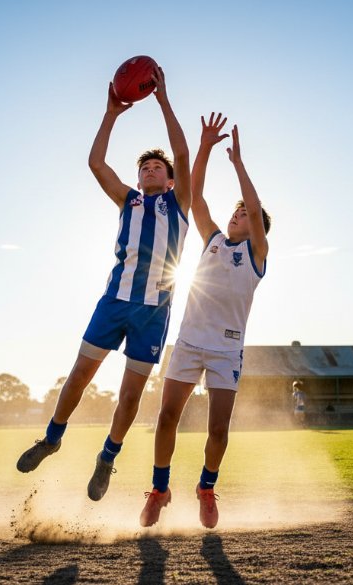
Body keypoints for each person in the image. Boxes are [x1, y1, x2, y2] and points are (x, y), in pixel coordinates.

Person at [15, 67, 191, 502]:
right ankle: (52, 438)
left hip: (153, 310)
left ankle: (107, 457)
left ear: (168, 180)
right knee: (79, 373)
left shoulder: (178, 201)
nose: (150, 170)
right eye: (144, 167)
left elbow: (184, 156)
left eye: (157, 167)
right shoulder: (127, 199)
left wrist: (164, 101)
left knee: (130, 396)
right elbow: (96, 163)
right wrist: (111, 114)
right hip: (114, 302)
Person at [139, 112, 271, 528]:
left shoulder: (257, 255)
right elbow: (194, 198)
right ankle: (160, 490)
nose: (238, 216)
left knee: (218, 431)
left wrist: (237, 163)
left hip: (226, 351)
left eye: (245, 215)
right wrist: (205, 148)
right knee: (165, 418)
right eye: (235, 213)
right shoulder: (212, 239)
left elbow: (253, 203)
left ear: (258, 229)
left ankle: (206, 488)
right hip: (189, 343)